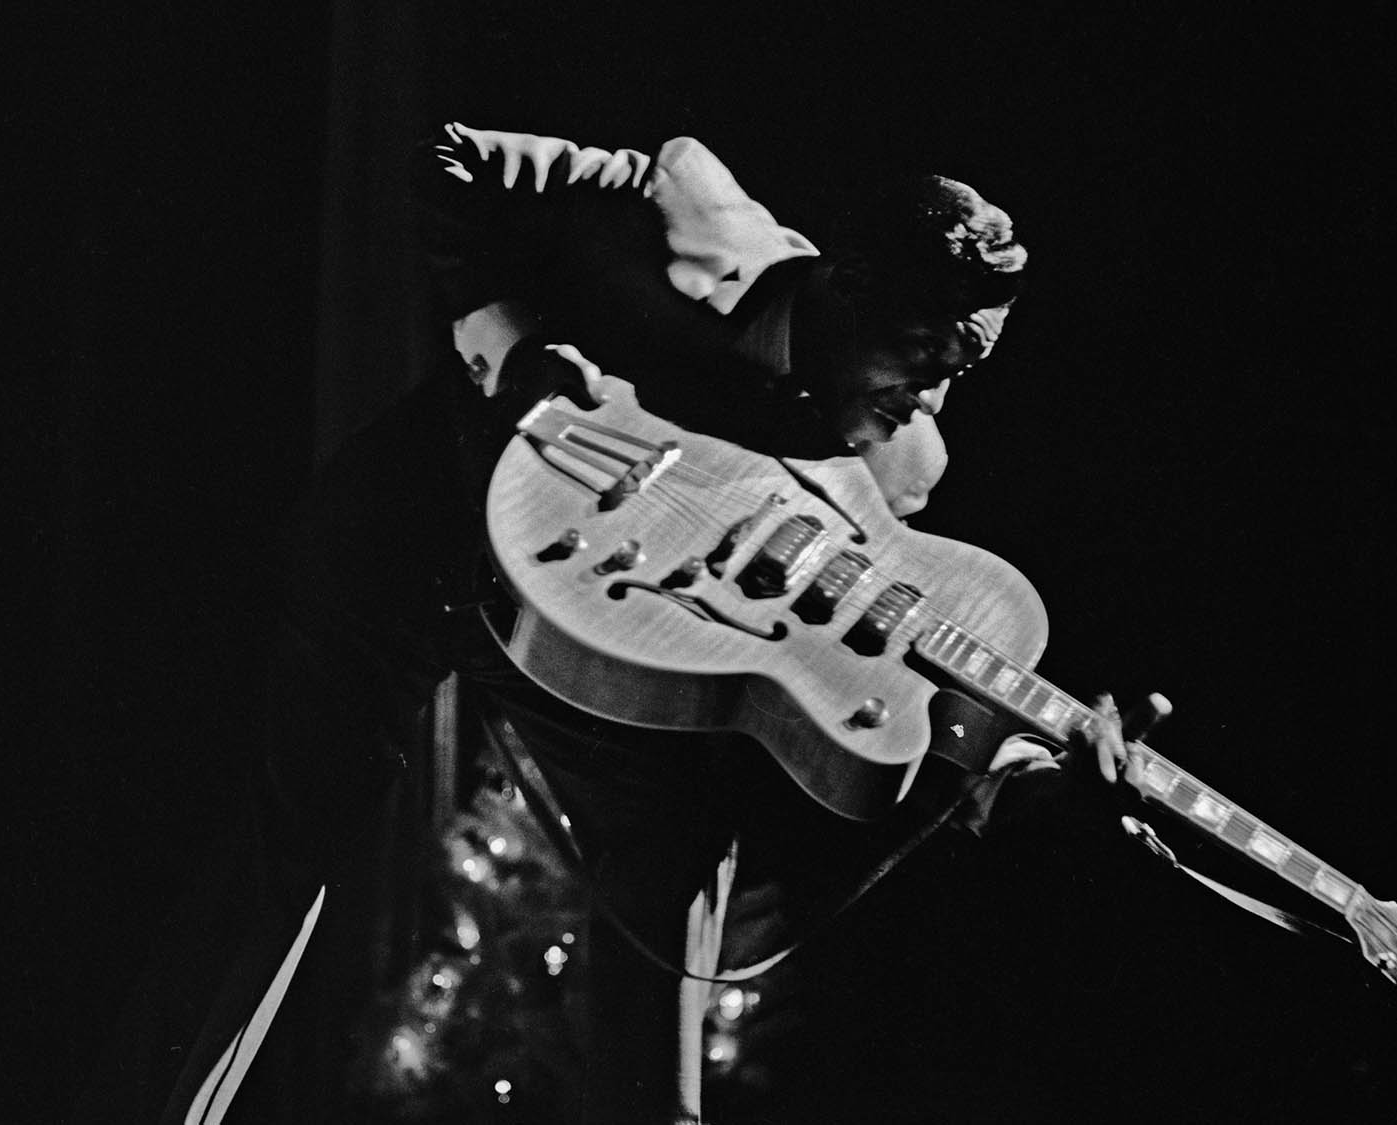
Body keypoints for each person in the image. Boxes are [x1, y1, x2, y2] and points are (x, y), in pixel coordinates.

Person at [78, 121, 1188, 1125]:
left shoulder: (895, 464)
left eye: (963, 374)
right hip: (413, 544)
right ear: (849, 286)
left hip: (605, 660)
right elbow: (450, 161)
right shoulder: (688, 215)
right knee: (279, 857)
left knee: (668, 920)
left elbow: (888, 707)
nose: (933, 404)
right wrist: (510, 355)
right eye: (926, 358)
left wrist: (1029, 784)